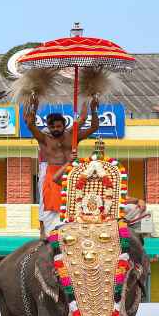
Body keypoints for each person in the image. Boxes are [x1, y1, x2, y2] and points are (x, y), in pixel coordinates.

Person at [24, 97, 99, 237]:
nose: (55, 129)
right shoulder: (44, 138)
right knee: (50, 210)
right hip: (52, 175)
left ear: (64, 125)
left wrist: (91, 104)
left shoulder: (72, 135)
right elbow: (29, 124)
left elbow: (90, 124)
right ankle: (46, 235)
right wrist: (34, 105)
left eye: (58, 126)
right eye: (52, 127)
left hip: (71, 173)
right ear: (48, 126)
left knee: (73, 207)